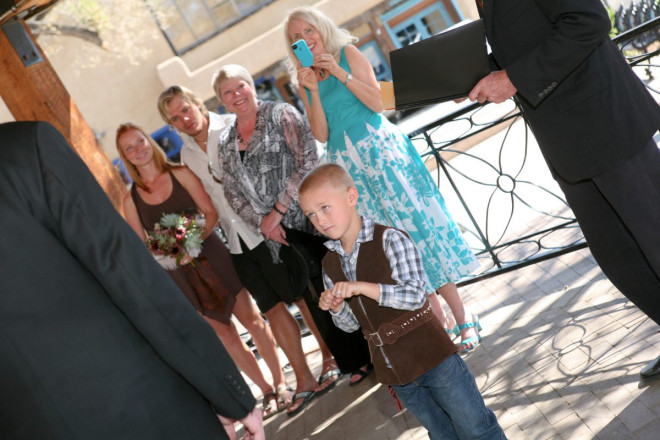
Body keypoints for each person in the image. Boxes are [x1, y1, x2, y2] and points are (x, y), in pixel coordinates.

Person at [0, 120, 263, 440]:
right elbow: (126, 271)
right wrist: (226, 394)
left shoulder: (179, 174)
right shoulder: (25, 147)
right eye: (128, 147)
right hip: (137, 406)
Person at [468, 1, 660, 379]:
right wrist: (469, 76)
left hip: (609, 123)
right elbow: (525, 40)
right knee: (621, 259)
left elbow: (588, 21)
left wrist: (513, 78)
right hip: (568, 147)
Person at [158, 81, 368, 416]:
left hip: (268, 227)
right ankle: (303, 378)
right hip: (236, 238)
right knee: (271, 307)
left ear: (198, 104)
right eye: (175, 118)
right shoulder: (185, 155)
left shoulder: (232, 125)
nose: (184, 119)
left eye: (186, 109)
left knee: (302, 294)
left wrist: (273, 219)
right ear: (171, 125)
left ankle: (331, 359)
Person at [283, 6, 483, 353]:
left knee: (418, 230)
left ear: (322, 28)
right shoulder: (305, 80)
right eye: (296, 39)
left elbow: (378, 104)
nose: (305, 40)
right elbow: (320, 132)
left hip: (383, 155)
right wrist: (313, 90)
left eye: (309, 31)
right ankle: (437, 325)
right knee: (394, 244)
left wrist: (338, 73)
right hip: (349, 172)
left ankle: (464, 318)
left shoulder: (348, 53)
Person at [298, 163, 506, 439]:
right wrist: (337, 308)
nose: (320, 220)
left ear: (351, 197)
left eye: (325, 208)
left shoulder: (389, 239)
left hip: (433, 356)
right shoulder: (330, 263)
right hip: (395, 370)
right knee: (441, 434)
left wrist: (362, 287)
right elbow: (349, 326)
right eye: (311, 215)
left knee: (476, 428)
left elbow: (414, 295)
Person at [116, 122, 290, 420]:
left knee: (253, 321)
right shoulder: (129, 200)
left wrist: (190, 241)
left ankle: (281, 382)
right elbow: (142, 247)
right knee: (226, 336)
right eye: (129, 148)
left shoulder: (181, 173)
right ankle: (265, 391)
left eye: (140, 141)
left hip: (213, 257)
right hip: (181, 276)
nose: (138, 150)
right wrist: (171, 251)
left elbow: (210, 213)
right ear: (125, 157)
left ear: (150, 142)